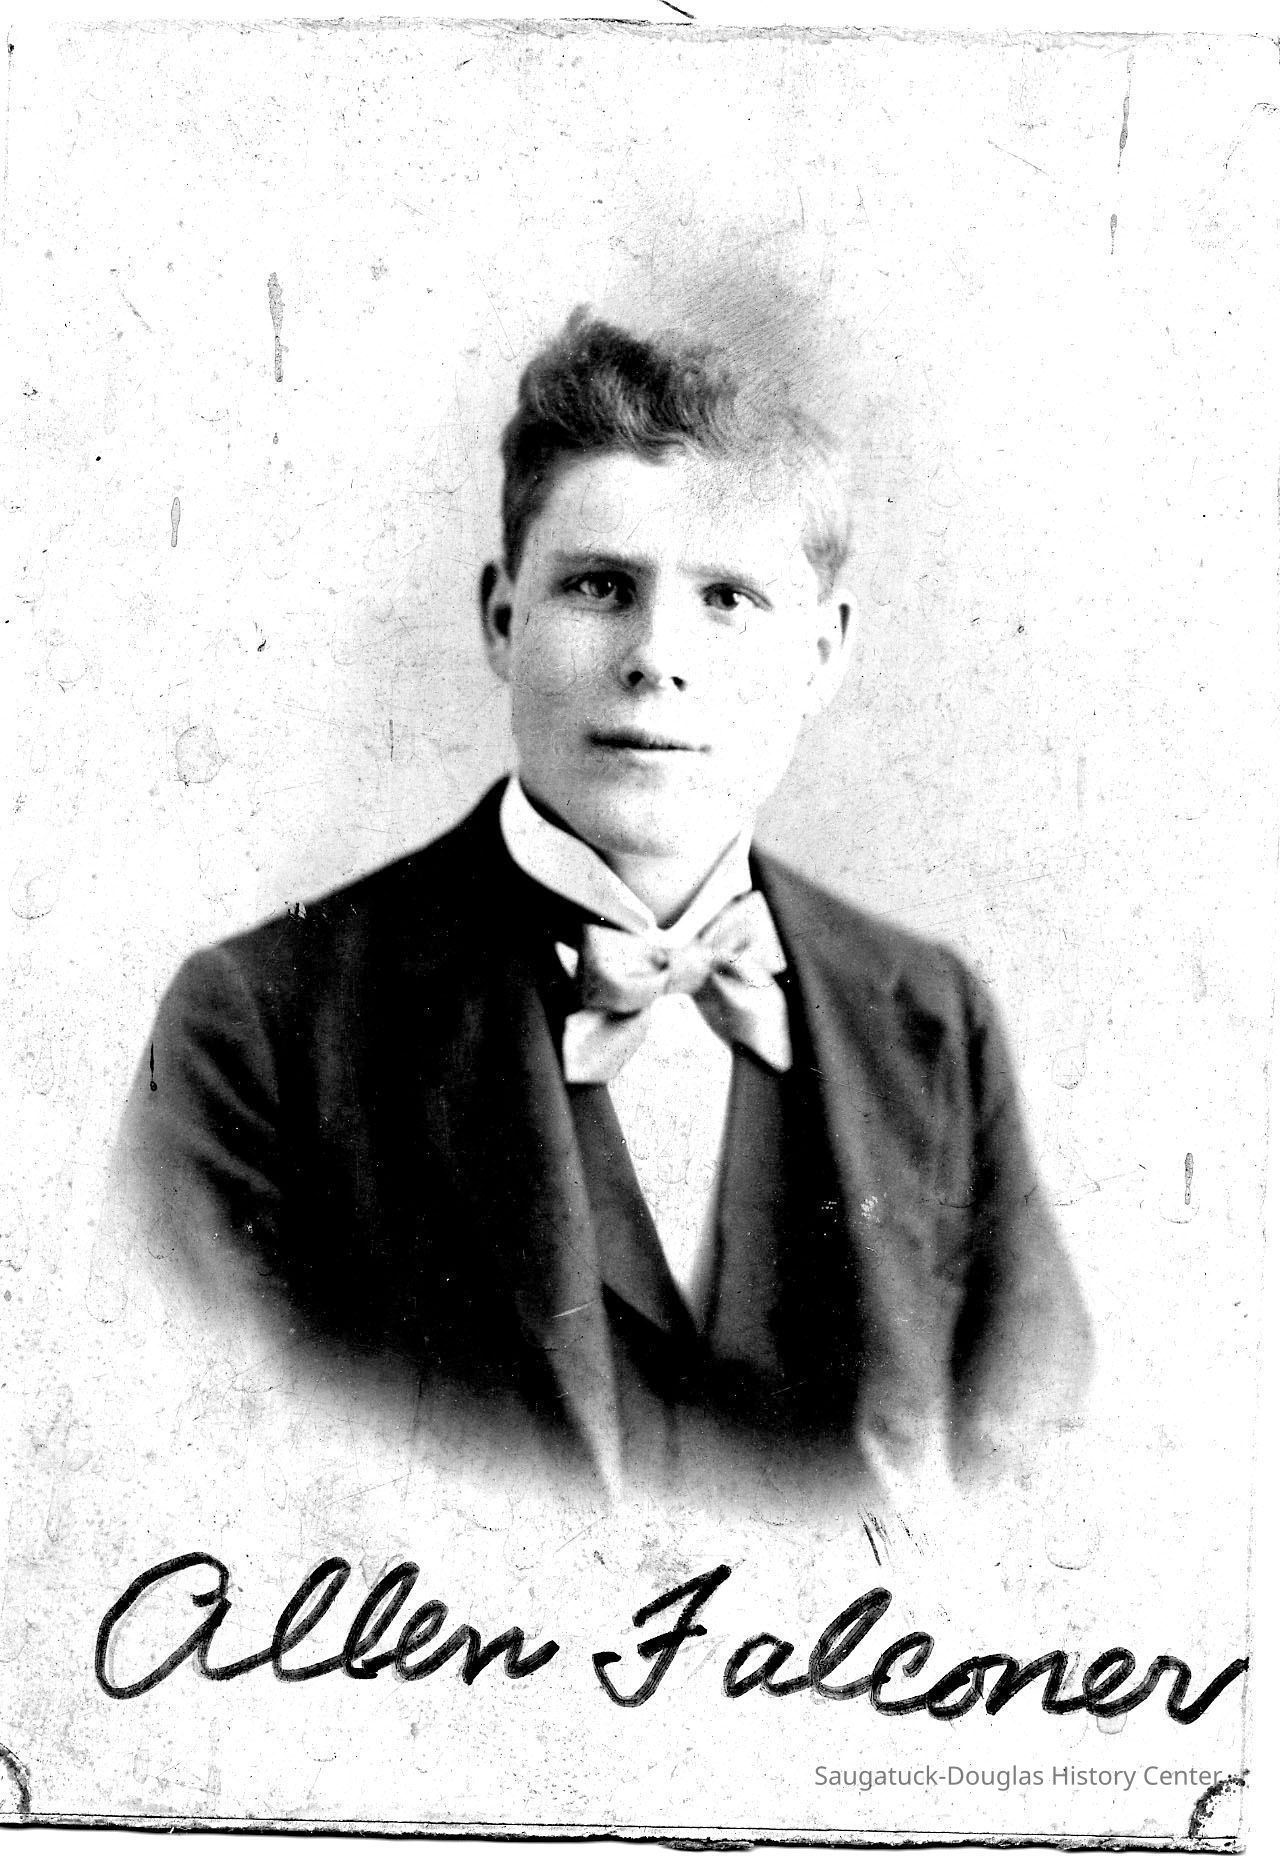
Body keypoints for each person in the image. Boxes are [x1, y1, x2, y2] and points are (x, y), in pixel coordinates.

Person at [113, 306, 1092, 1510]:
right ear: (500, 618)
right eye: (596, 585)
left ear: (824, 653)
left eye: (727, 597)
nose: (655, 657)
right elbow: (197, 1473)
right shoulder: (258, 1024)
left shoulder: (927, 1015)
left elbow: (1041, 1483)